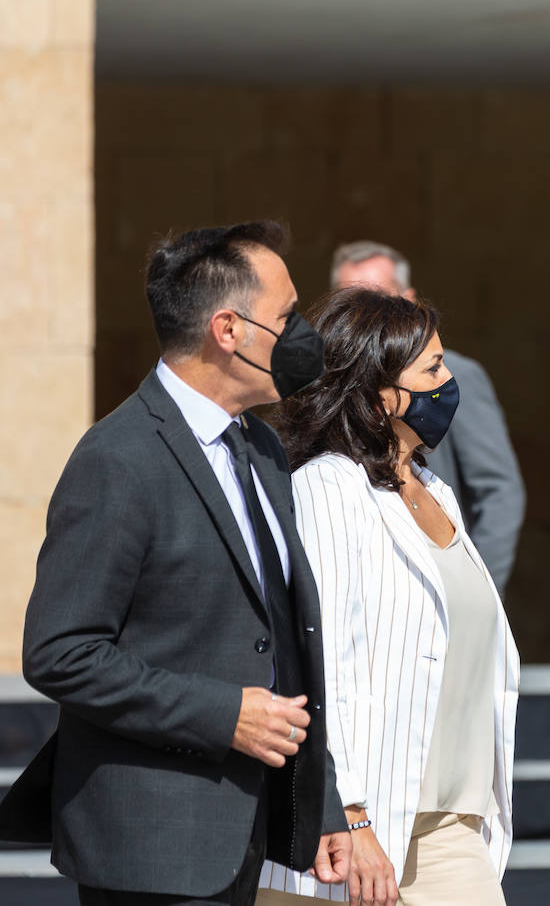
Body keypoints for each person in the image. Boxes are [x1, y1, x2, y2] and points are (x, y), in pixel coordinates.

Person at [0, 222, 351, 904]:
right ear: (228, 329)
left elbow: (279, 642)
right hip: (148, 848)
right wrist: (224, 715)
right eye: (286, 317)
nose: (302, 335)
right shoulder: (118, 458)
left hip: (244, 837)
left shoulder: (264, 450)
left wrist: (324, 803)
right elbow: (60, 652)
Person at [256, 288, 518, 906]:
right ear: (379, 395)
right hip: (358, 837)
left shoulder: (434, 489)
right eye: (431, 369)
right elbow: (325, 664)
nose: (449, 381)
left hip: (449, 825)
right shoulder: (329, 487)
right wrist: (349, 814)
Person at [331, 240, 525, 595]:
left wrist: (473, 594)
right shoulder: (325, 395)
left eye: (380, 299)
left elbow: (499, 491)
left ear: (408, 298)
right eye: (352, 304)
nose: (367, 314)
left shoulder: (452, 376)